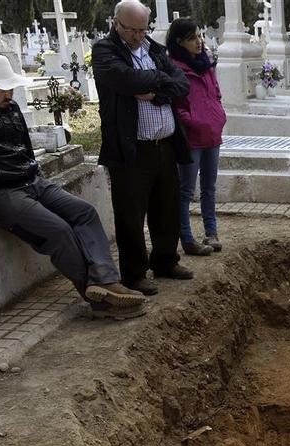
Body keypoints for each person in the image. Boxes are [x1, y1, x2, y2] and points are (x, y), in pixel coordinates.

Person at [0, 53, 145, 319]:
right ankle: (102, 303)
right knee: (58, 231)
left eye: (10, 87)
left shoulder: (8, 106)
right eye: (2, 88)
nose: (9, 93)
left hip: (31, 181)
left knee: (84, 212)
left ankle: (104, 281)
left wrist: (35, 176)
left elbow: (24, 147)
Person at [93, 0, 194, 296]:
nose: (138, 35)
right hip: (131, 148)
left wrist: (155, 92)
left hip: (165, 144)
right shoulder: (105, 51)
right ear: (116, 23)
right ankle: (135, 274)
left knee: (167, 207)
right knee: (131, 213)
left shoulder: (154, 49)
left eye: (142, 29)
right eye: (131, 30)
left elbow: (181, 85)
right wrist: (158, 83)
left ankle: (165, 260)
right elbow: (125, 79)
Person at [166, 18, 227, 256]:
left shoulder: (207, 63)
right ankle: (187, 238)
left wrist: (218, 115)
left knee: (209, 188)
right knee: (185, 191)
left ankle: (211, 232)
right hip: (192, 137)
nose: (199, 42)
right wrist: (193, 121)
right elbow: (176, 103)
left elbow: (216, 93)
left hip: (212, 133)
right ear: (180, 42)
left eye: (199, 36)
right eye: (192, 38)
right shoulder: (174, 68)